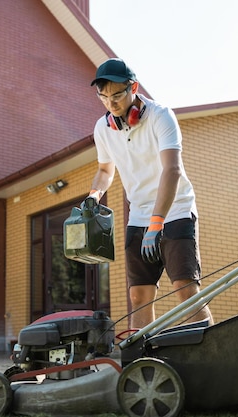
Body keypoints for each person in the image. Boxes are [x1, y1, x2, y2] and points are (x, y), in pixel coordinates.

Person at [86, 58, 213, 330]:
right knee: (138, 294)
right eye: (103, 97)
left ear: (133, 87)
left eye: (117, 95)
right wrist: (94, 195)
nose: (111, 103)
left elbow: (172, 169)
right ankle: (141, 363)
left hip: (176, 209)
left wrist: (157, 223)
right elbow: (105, 171)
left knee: (184, 288)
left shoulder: (160, 115)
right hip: (138, 215)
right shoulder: (103, 129)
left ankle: (210, 354)